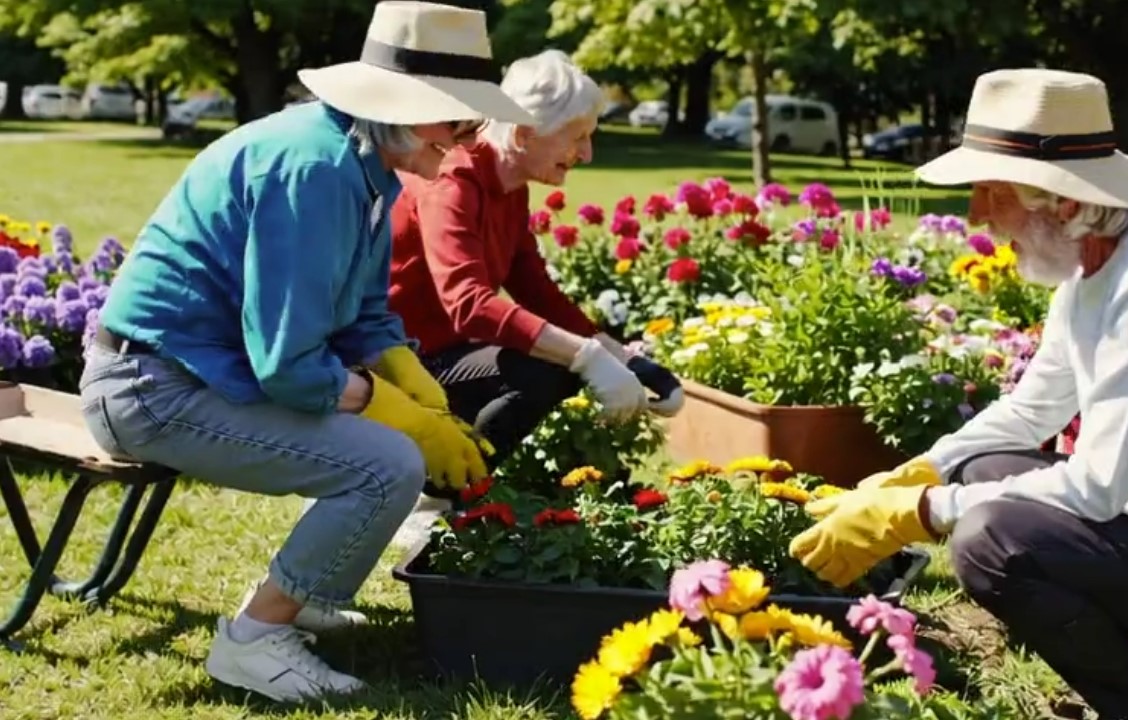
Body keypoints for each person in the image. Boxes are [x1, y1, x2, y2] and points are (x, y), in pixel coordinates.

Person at [77, 2, 535, 703]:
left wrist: (413, 382)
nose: (467, 140)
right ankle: (254, 643)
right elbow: (287, 368)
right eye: (460, 120)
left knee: (391, 450)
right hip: (149, 389)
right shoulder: (315, 172)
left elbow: (367, 312)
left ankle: (309, 591)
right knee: (387, 464)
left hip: (184, 376)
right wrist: (398, 415)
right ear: (408, 106)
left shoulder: (361, 164)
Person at [788, 68, 1128, 720]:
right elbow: (1032, 409)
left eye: (991, 190)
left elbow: (1098, 487)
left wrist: (920, 512)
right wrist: (918, 472)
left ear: (1063, 201)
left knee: (990, 538)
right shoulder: (1100, 259)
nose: (975, 216)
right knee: (979, 470)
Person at [386, 49, 683, 480]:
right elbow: (468, 303)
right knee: (548, 366)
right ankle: (442, 492)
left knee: (555, 361)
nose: (587, 154)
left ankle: (454, 488)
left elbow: (536, 290)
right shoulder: (452, 181)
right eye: (577, 136)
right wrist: (585, 357)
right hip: (397, 361)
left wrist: (626, 359)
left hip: (446, 353)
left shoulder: (510, 185)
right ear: (524, 134)